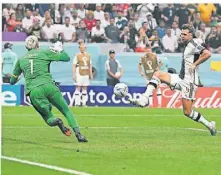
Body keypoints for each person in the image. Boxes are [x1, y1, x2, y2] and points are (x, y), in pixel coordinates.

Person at [129, 24, 216, 136]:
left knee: (187, 112)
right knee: (158, 74)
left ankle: (209, 125)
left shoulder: (193, 44)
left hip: (189, 83)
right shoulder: (187, 44)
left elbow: (207, 54)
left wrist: (195, 64)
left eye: (185, 34)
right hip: (180, 78)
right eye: (181, 34)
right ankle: (144, 98)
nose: (182, 36)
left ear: (191, 35)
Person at [10, 35, 87, 142]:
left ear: (26, 46)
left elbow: (12, 82)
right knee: (66, 110)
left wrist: (19, 76)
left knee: (48, 117)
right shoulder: (45, 52)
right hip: (49, 86)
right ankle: (79, 134)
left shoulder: (21, 60)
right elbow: (66, 58)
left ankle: (57, 121)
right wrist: (60, 49)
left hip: (34, 91)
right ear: (37, 44)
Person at [72, 42, 93, 107]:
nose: (82, 49)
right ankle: (77, 103)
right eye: (81, 48)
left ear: (85, 48)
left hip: (86, 72)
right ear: (79, 48)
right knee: (78, 87)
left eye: (83, 47)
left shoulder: (88, 55)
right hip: (79, 72)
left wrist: (91, 74)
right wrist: (74, 74)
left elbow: (90, 65)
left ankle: (84, 103)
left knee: (85, 87)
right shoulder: (77, 55)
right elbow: (74, 65)